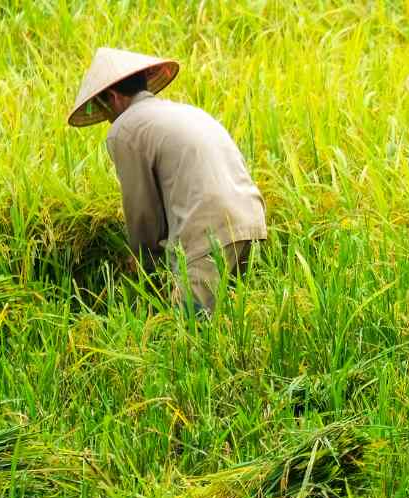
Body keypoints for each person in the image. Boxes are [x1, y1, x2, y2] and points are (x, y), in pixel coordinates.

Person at [67, 48, 267, 313]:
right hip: (251, 221)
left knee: (187, 334)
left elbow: (142, 211)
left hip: (206, 234)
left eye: (103, 109)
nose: (107, 119)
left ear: (112, 98)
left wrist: (142, 262)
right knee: (232, 324)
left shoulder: (125, 128)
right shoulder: (184, 112)